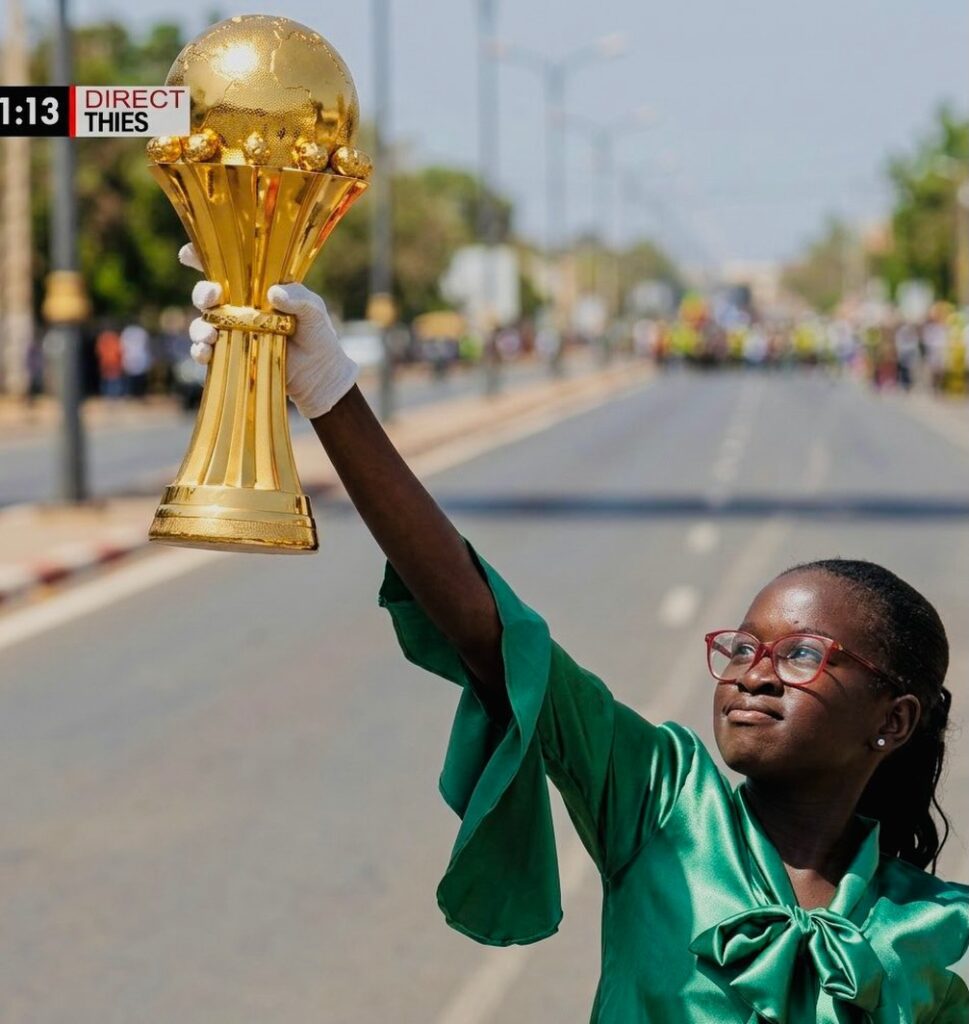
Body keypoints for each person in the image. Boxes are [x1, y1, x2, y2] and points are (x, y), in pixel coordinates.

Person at [180, 245, 969, 1023]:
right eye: (741, 648)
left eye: (799, 655)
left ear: (893, 720)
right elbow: (496, 634)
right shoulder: (662, 802)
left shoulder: (930, 930)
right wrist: (326, 390)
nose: (751, 675)